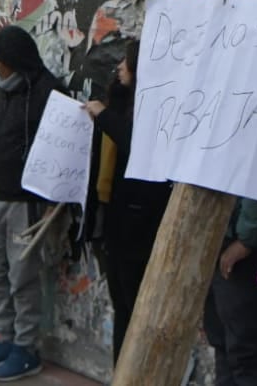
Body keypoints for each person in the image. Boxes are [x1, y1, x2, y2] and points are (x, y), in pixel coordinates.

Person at [0, 24, 65, 382]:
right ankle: (3, 338)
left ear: (16, 59)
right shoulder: (6, 90)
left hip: (27, 204)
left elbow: (65, 147)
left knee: (22, 278)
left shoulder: (49, 91)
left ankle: (26, 349)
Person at [85, 38, 172, 363]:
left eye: (128, 62)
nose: (120, 67)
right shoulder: (122, 100)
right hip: (115, 219)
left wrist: (105, 117)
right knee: (121, 302)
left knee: (136, 305)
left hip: (140, 221)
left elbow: (139, 144)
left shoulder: (157, 107)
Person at [203, 196, 257, 386]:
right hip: (223, 235)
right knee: (223, 345)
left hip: (241, 247)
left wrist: (248, 240)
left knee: (245, 353)